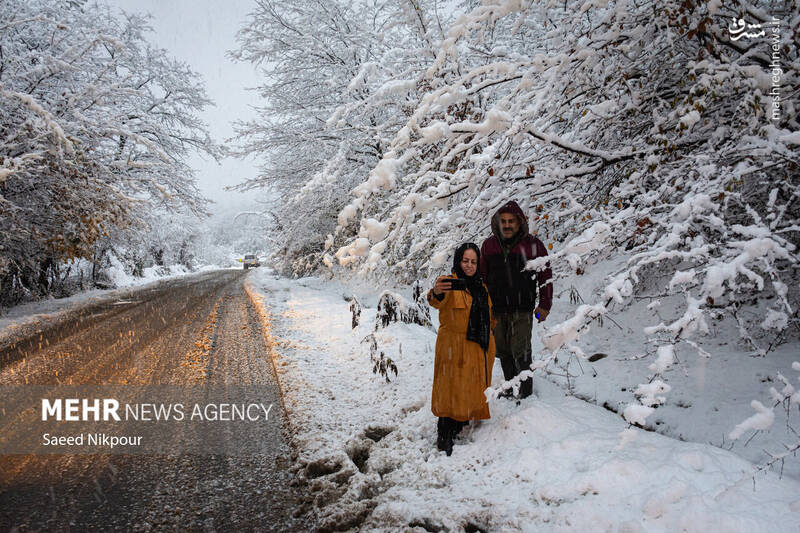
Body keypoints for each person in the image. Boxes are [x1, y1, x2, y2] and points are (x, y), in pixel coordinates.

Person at [427, 243, 496, 456]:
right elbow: (435, 300)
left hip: (477, 346)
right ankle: (444, 432)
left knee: (469, 385)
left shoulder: (481, 287)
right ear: (458, 261)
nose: (469, 266)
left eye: (473, 262)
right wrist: (436, 292)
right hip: (453, 346)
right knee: (450, 387)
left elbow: (490, 316)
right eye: (465, 261)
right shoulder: (447, 283)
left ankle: (461, 421)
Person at [480, 200, 552, 400]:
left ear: (519, 222)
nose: (507, 225)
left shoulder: (533, 245)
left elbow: (545, 276)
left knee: (520, 350)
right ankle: (511, 387)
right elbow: (482, 277)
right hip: (497, 309)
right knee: (503, 350)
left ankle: (526, 393)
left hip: (523, 309)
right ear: (498, 223)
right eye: (503, 221)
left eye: (511, 221)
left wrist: (544, 305)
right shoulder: (489, 246)